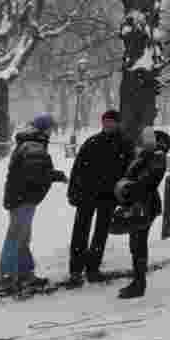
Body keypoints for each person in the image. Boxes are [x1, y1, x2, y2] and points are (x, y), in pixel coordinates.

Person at [0, 114, 67, 294]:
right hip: (23, 199)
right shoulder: (34, 145)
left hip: (22, 198)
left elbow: (35, 171)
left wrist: (50, 175)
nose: (53, 131)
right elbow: (35, 174)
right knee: (15, 237)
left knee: (22, 237)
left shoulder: (31, 143)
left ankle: (24, 273)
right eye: (51, 127)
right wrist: (56, 175)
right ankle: (7, 278)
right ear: (45, 128)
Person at [66, 109, 133, 286]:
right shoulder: (92, 142)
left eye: (111, 122)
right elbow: (78, 168)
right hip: (87, 194)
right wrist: (73, 191)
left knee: (101, 233)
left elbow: (130, 173)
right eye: (105, 122)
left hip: (109, 196)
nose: (107, 125)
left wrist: (126, 195)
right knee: (80, 231)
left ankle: (93, 268)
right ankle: (75, 269)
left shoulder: (125, 144)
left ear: (118, 123)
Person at [114, 127, 168, 299]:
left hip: (145, 205)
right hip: (139, 204)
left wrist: (127, 187)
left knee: (138, 243)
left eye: (150, 140)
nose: (146, 142)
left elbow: (148, 182)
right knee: (136, 244)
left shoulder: (156, 157)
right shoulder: (144, 156)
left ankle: (139, 284)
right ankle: (137, 281)